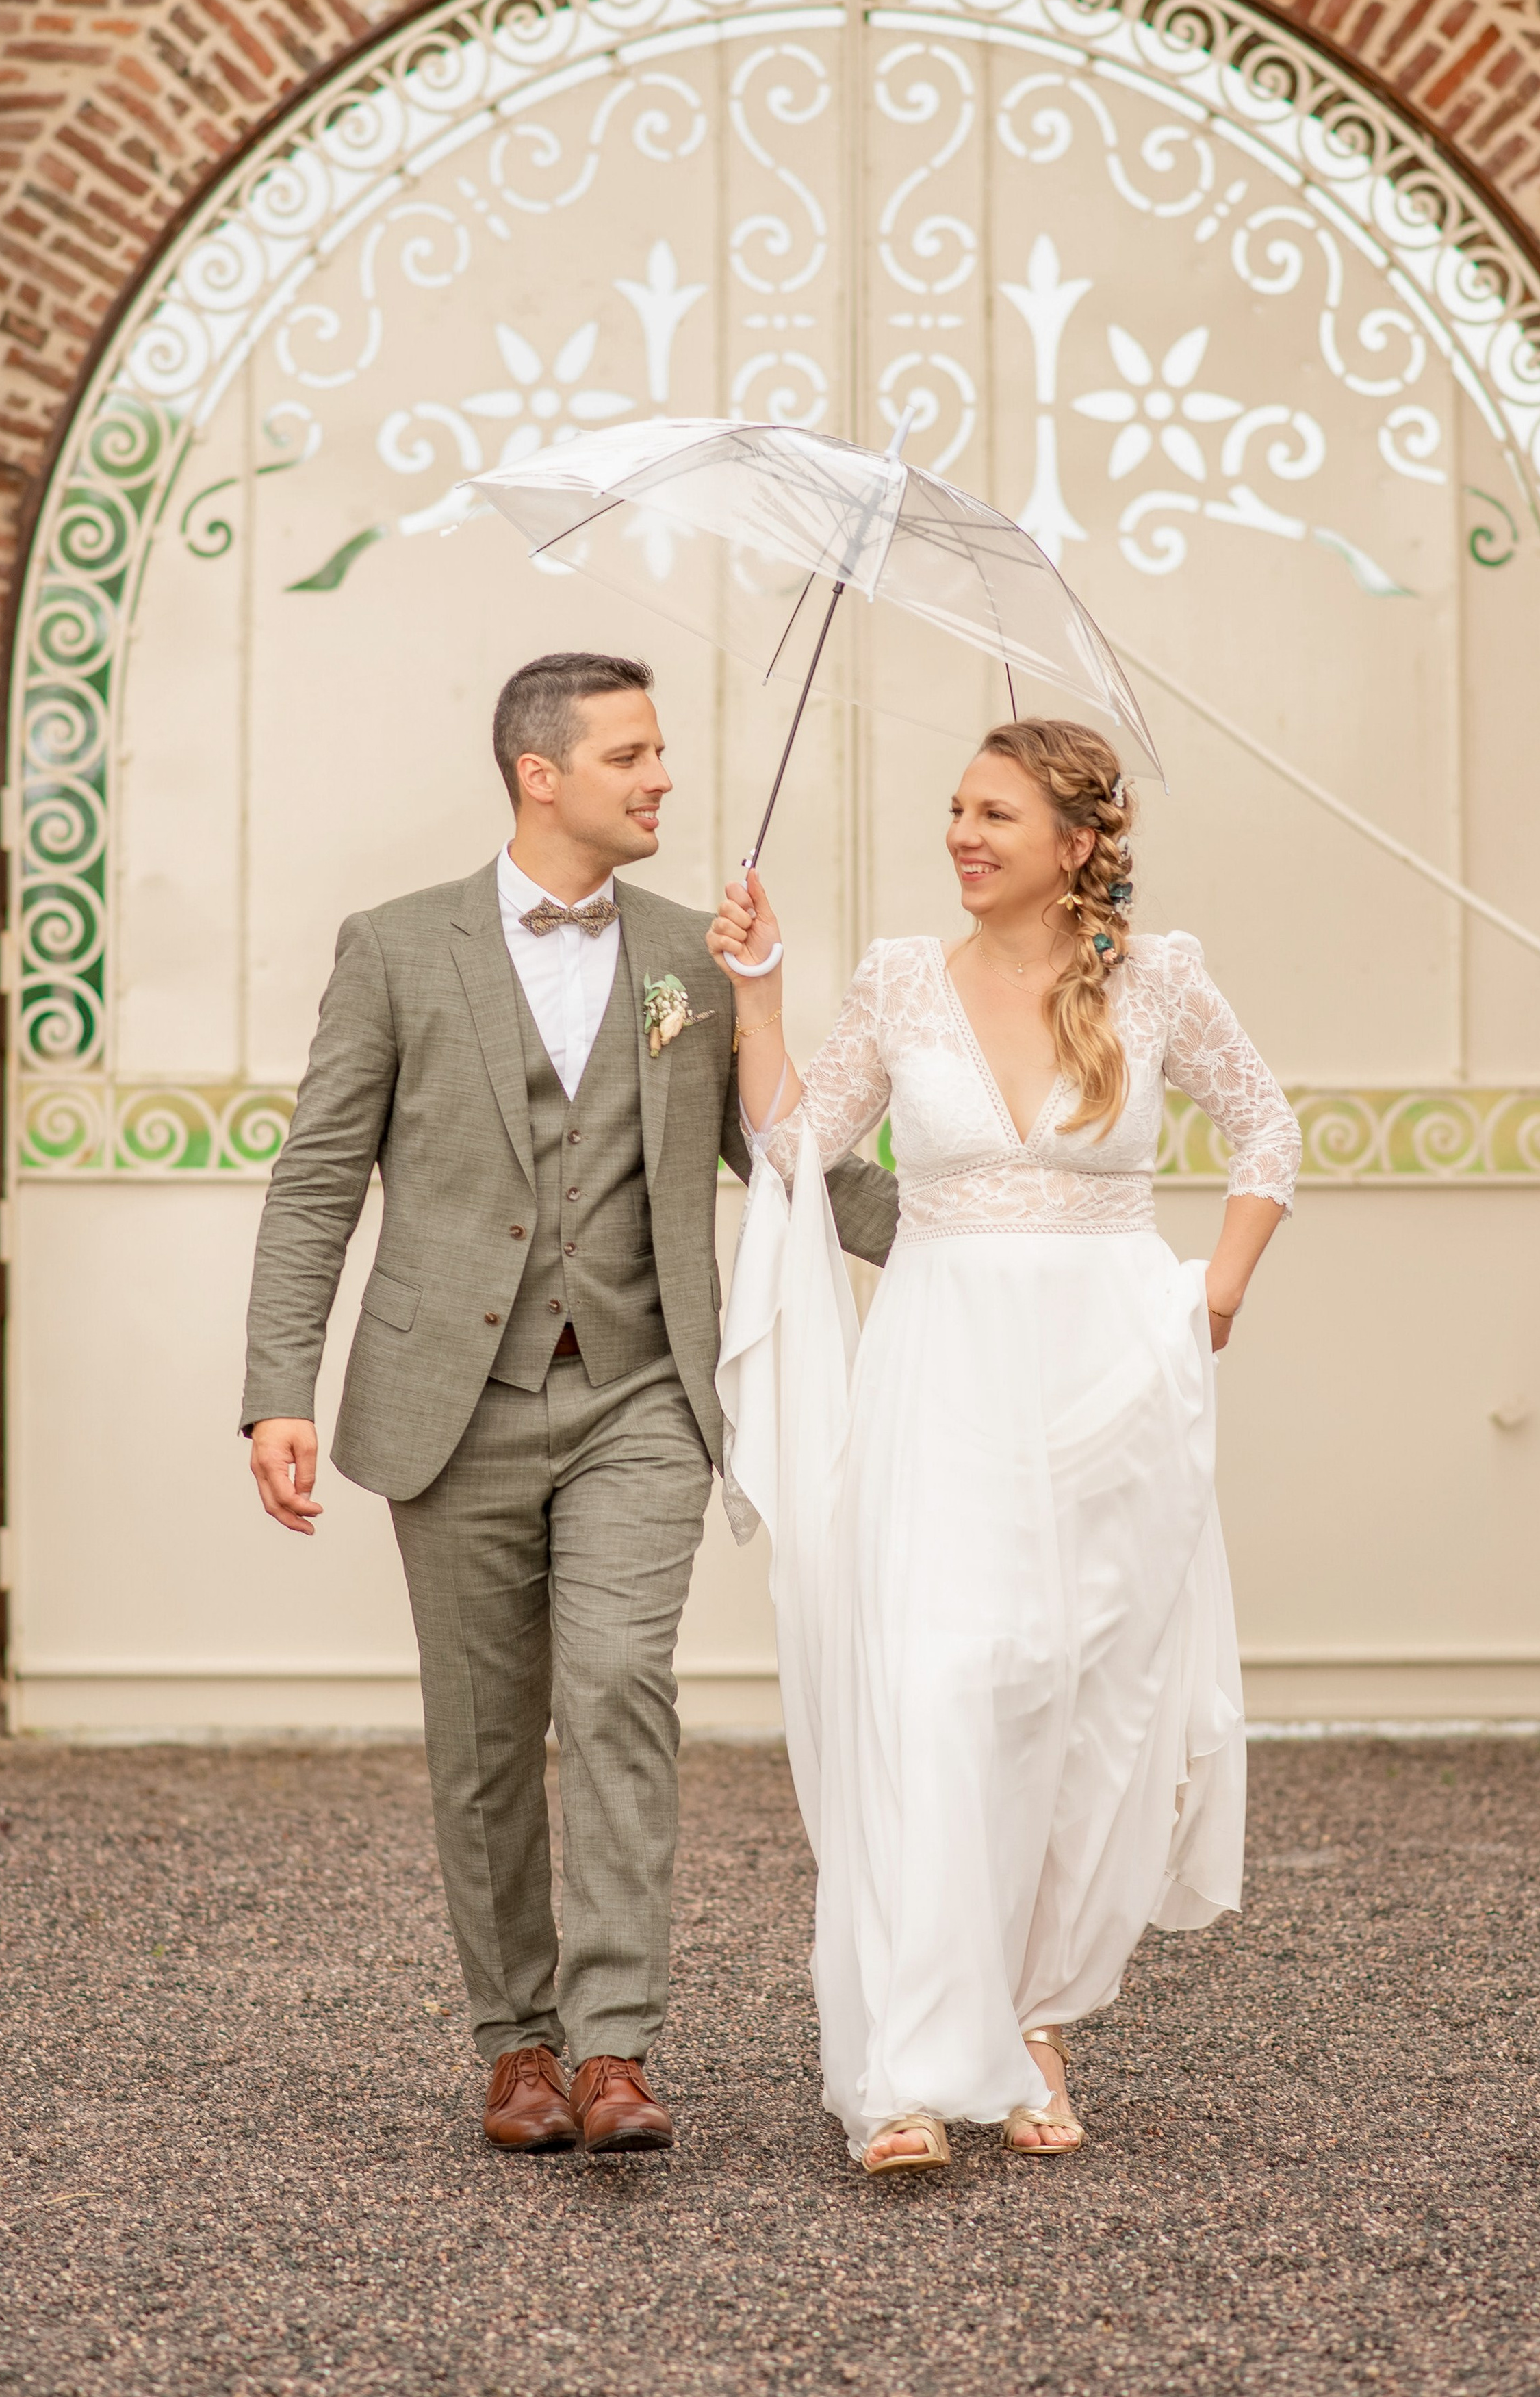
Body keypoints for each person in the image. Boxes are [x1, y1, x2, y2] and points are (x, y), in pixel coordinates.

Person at [241, 652, 899, 2157]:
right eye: (631, 754)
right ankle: (517, 2044)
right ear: (540, 774)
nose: (662, 776)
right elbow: (316, 1180)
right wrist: (278, 1386)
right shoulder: (395, 947)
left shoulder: (688, 955)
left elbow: (787, 1160)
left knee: (615, 1687)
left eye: (660, 751)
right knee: (484, 1736)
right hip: (448, 1397)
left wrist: (986, 1234)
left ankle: (613, 2046)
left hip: (640, 1390)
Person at [710, 716, 1301, 2175]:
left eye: (995, 814)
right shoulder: (900, 978)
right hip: (942, 1374)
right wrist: (758, 995)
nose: (962, 836)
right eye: (957, 809)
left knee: (1082, 1696)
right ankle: (908, 2066)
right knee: (935, 1684)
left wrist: (1215, 1291)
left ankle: (1036, 2018)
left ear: (1077, 842)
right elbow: (793, 1147)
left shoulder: (1159, 977)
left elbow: (1267, 1131)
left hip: (1113, 1380)